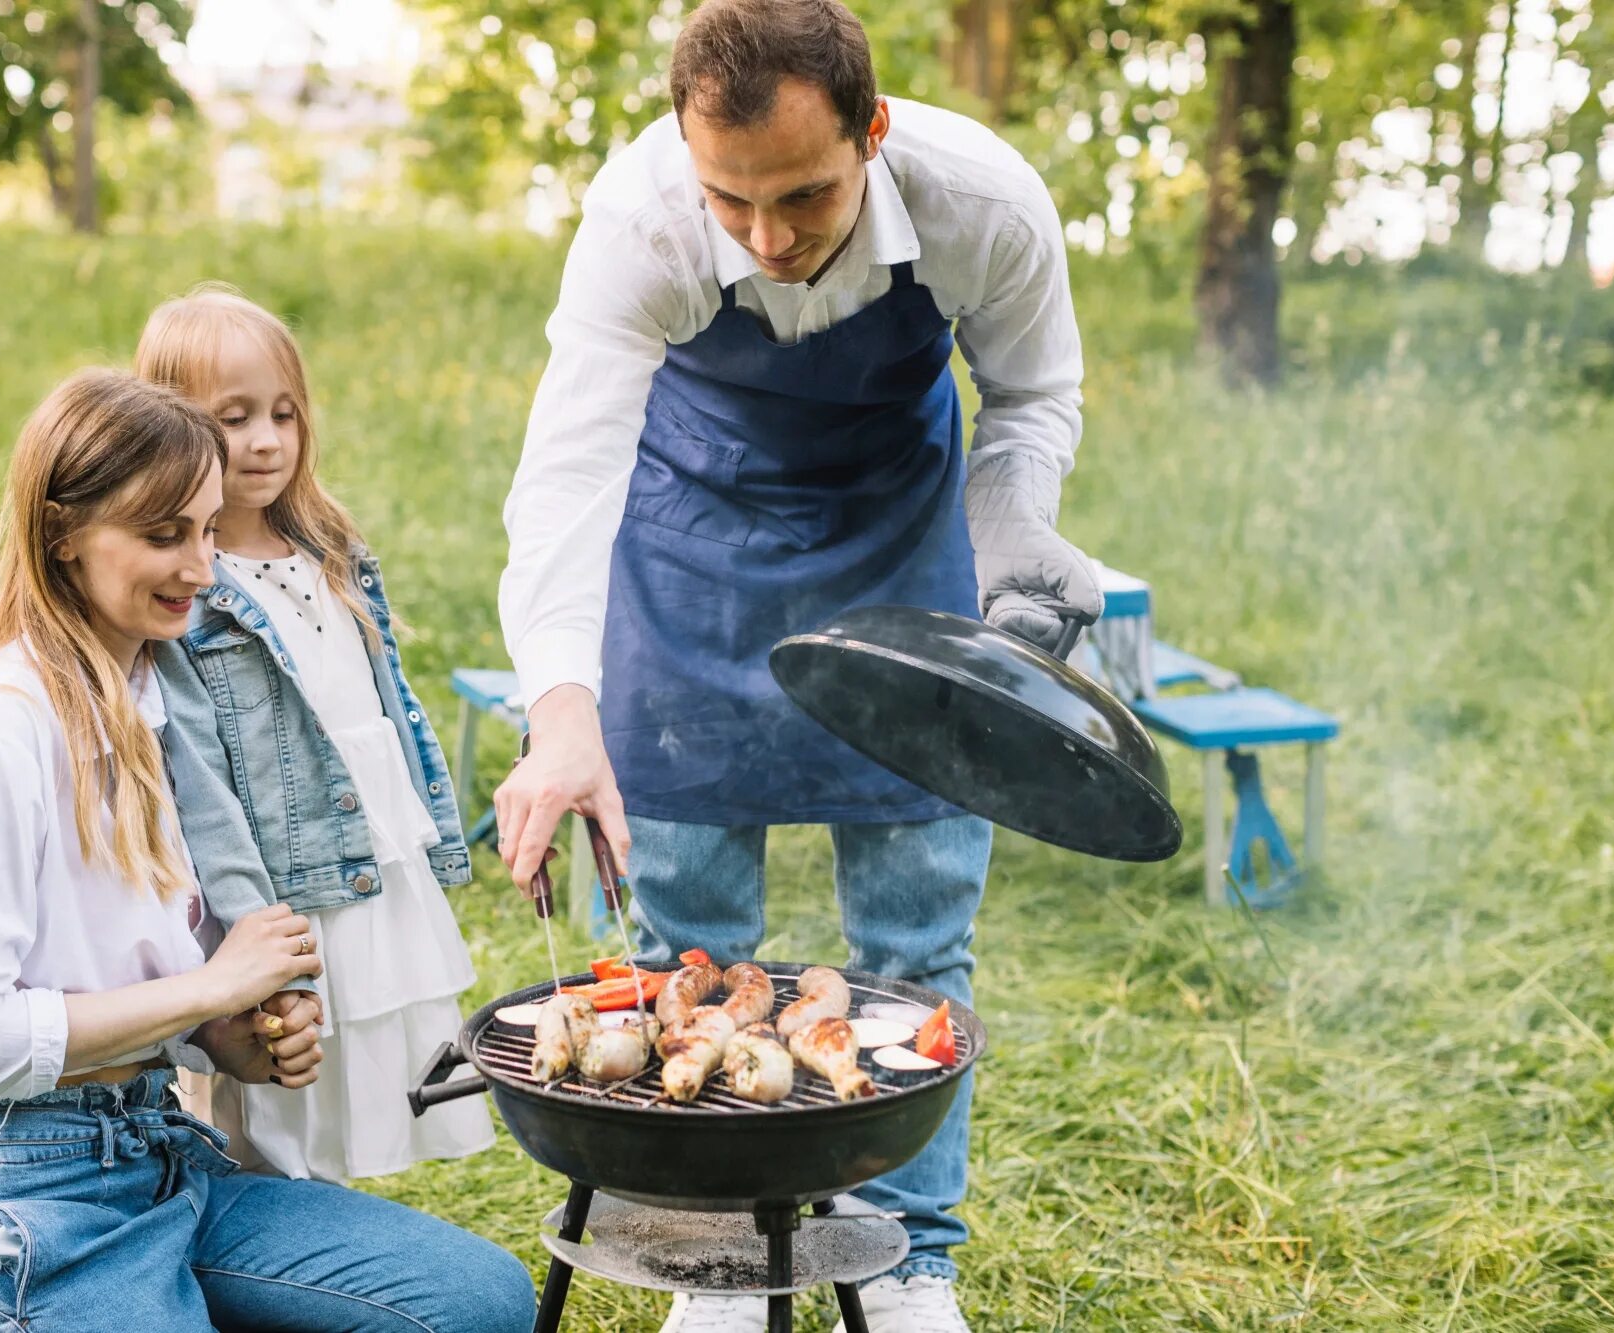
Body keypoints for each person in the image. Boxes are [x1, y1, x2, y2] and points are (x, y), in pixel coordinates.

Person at [493, 2, 1100, 1329]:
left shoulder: (983, 203)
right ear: (683, 155)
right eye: (732, 202)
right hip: (688, 553)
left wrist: (1008, 538)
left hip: (903, 543)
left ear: (872, 134)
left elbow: (1034, 396)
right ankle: (713, 1252)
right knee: (688, 938)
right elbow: (570, 474)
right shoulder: (639, 221)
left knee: (920, 937)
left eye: (807, 195)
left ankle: (910, 1260)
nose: (767, 237)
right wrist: (560, 710)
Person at [0, 367, 535, 1332]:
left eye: (205, 529)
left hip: (165, 1159)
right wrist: (211, 990)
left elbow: (119, 972)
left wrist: (218, 1042)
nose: (201, 566)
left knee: (475, 1302)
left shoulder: (157, 707)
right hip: (16, 1197)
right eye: (162, 536)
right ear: (62, 534)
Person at [138, 285, 495, 1183]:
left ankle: (347, 1250)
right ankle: (269, 1255)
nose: (264, 440)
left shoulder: (330, 549)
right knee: (273, 1105)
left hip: (370, 861)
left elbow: (377, 715)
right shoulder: (195, 587)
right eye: (232, 418)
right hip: (280, 889)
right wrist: (249, 926)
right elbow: (200, 780)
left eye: (282, 414)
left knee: (366, 1072)